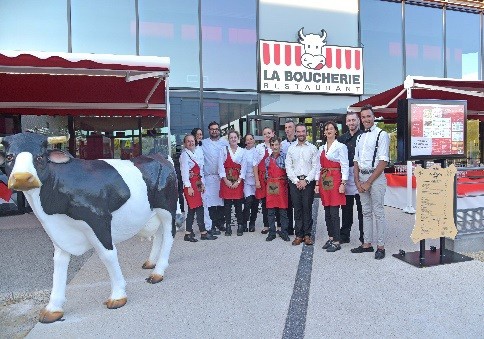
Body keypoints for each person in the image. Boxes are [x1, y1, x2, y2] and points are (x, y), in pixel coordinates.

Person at [351, 105, 390, 260]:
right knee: (365, 212)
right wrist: (357, 181)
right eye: (364, 117)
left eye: (369, 116)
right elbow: (355, 160)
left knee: (378, 212)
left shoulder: (382, 134)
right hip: (362, 177)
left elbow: (383, 161)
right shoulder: (360, 137)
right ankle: (367, 244)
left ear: (374, 117)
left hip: (376, 178)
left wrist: (368, 182)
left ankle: (381, 246)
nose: (366, 119)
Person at [315, 121, 349, 252]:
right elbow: (319, 167)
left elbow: (345, 165)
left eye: (331, 128)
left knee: (334, 212)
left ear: (336, 131)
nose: (328, 130)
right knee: (327, 212)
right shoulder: (321, 148)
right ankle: (330, 237)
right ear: (324, 132)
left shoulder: (341, 147)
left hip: (335, 180)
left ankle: (337, 240)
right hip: (325, 181)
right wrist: (317, 183)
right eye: (326, 129)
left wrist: (343, 183)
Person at [285, 123, 318, 246]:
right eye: (298, 132)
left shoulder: (312, 148)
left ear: (306, 132)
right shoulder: (291, 148)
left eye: (303, 131)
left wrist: (307, 180)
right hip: (295, 182)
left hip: (308, 182)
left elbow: (315, 166)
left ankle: (307, 235)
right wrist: (296, 181)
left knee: (307, 208)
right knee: (297, 208)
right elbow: (288, 166)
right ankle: (299, 235)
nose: (301, 134)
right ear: (296, 133)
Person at [180, 134, 217, 242]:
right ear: (185, 143)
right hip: (190, 185)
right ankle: (202, 233)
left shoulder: (196, 152)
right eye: (188, 141)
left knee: (198, 207)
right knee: (194, 209)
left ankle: (190, 233)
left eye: (192, 141)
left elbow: (198, 173)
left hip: (197, 182)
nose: (191, 143)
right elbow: (184, 172)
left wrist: (201, 185)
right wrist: (188, 187)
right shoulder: (185, 155)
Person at [337, 112, 364, 244]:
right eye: (349, 120)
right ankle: (344, 235)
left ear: (358, 121)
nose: (351, 123)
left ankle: (364, 236)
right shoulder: (341, 139)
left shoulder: (364, 136)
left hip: (361, 174)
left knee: (362, 209)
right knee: (346, 209)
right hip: (346, 175)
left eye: (354, 120)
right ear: (346, 123)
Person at [202, 122, 229, 235]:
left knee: (221, 201)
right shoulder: (203, 143)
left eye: (216, 129)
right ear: (209, 130)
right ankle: (212, 224)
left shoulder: (225, 143)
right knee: (210, 202)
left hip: (221, 177)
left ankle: (220, 223)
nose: (214, 131)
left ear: (219, 131)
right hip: (208, 177)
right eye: (212, 129)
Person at [191, 127, 219, 236]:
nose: (200, 136)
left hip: (202, 179)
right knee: (195, 204)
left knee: (204, 202)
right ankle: (190, 229)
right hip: (194, 180)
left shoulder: (201, 148)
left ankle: (207, 227)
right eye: (198, 134)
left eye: (201, 134)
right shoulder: (189, 150)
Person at [219, 130, 246, 236]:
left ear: (238, 139)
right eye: (231, 137)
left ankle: (240, 225)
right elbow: (220, 166)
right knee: (227, 205)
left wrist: (238, 181)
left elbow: (243, 168)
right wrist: (225, 180)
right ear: (228, 139)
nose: (233, 139)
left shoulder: (242, 151)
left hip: (238, 181)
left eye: (235, 137)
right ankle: (228, 226)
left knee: (239, 205)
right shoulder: (224, 150)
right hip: (226, 180)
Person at [265, 136, 290, 242]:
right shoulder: (267, 159)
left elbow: (289, 172)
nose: (275, 147)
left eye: (276, 144)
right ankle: (272, 232)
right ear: (270, 146)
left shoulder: (285, 157)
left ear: (280, 145)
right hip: (271, 185)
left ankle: (284, 232)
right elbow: (266, 174)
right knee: (270, 210)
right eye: (272, 145)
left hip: (282, 185)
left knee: (283, 211)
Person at [253, 127, 274, 234]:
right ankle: (266, 225)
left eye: (269, 133)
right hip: (262, 179)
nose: (267, 135)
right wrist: (257, 180)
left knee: (275, 201)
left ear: (273, 134)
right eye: (265, 134)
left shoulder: (277, 146)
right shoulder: (259, 148)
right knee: (265, 203)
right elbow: (255, 165)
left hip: (274, 180)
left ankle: (277, 225)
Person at [281, 119, 297, 236]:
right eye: (286, 127)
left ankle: (299, 228)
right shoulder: (282, 145)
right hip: (285, 178)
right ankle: (289, 228)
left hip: (297, 178)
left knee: (297, 204)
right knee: (287, 204)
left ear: (294, 129)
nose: (287, 130)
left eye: (290, 127)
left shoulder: (300, 143)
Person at [242, 133, 258, 232]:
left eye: (251, 139)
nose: (249, 141)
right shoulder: (242, 152)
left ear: (254, 140)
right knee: (248, 202)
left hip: (256, 180)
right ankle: (244, 223)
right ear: (245, 142)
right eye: (247, 139)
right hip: (246, 180)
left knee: (255, 204)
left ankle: (252, 223)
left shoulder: (257, 151)